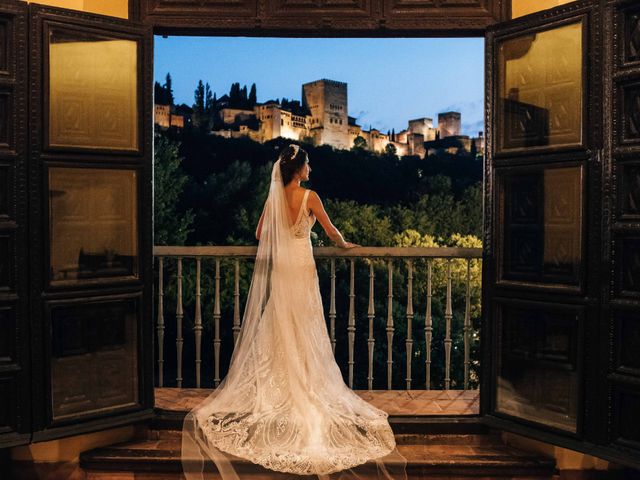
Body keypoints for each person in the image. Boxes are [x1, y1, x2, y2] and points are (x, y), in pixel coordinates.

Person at [181, 144, 407, 480]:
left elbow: (260, 233)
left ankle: (281, 384)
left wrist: (282, 237)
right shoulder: (310, 196)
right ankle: (304, 382)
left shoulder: (274, 196)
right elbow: (332, 232)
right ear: (299, 169)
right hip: (301, 268)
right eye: (308, 165)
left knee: (280, 322)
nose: (311, 169)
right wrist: (344, 245)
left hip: (282, 270)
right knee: (306, 324)